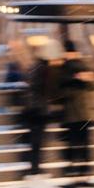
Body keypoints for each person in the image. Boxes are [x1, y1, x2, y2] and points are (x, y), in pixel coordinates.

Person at [56, 33, 94, 188]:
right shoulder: (85, 67)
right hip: (85, 115)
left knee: (73, 147)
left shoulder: (63, 70)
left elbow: (60, 94)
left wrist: (74, 81)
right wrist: (83, 79)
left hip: (72, 116)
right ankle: (85, 176)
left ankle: (75, 178)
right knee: (85, 146)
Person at [21, 38, 64, 180]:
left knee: (35, 142)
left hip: (32, 110)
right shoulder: (45, 69)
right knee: (38, 142)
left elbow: (33, 88)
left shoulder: (35, 66)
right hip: (39, 111)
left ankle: (35, 169)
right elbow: (51, 90)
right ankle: (36, 171)